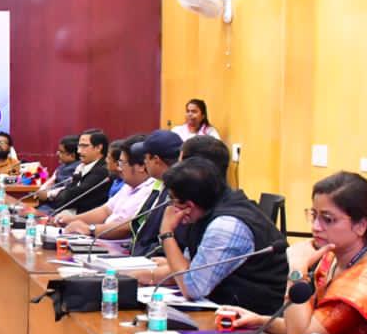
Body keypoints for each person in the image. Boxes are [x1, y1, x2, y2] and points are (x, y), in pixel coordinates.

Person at [224, 172, 367, 334]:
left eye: (328, 219)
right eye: (314, 215)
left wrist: (297, 271)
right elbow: (303, 326)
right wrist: (259, 321)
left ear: (361, 225)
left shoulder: (365, 282)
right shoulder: (333, 257)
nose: (315, 227)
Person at [127, 158, 288, 315]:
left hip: (256, 319)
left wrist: (166, 233)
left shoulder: (225, 226)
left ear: (189, 206)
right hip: (226, 309)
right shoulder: (207, 210)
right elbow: (188, 267)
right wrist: (143, 277)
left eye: (173, 200)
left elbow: (192, 288)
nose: (171, 207)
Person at [60, 135, 156, 255]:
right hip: (102, 242)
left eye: (122, 163)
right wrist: (72, 220)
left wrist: (91, 229)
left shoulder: (150, 190)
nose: (119, 169)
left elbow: (129, 226)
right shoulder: (129, 185)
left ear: (141, 166)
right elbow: (106, 210)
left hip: (120, 250)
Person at [128, 130, 184, 257]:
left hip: (153, 262)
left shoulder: (176, 192)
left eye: (146, 157)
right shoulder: (161, 184)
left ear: (156, 160)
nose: (144, 162)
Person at [36, 129, 110, 215]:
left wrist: (49, 195)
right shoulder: (81, 167)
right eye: (79, 146)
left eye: (84, 146)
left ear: (98, 148)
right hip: (65, 212)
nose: (79, 151)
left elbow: (71, 197)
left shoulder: (101, 171)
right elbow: (68, 192)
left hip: (81, 217)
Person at [36, 135, 80, 214]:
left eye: (61, 152)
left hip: (58, 209)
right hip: (49, 205)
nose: (57, 153)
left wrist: (47, 194)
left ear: (72, 155)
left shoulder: (75, 168)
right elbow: (52, 180)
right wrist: (42, 190)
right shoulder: (64, 166)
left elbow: (66, 188)